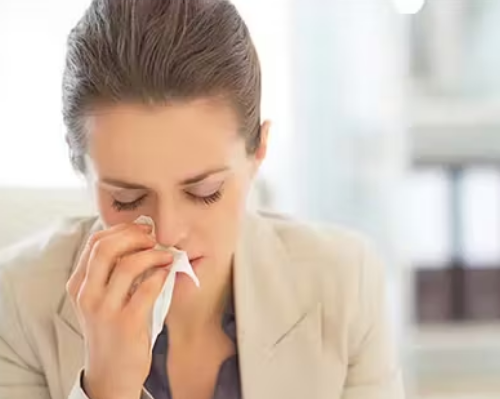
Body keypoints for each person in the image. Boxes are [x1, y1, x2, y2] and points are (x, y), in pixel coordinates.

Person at [0, 0, 404, 398]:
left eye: (204, 193)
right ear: (81, 169)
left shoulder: (345, 283)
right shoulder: (17, 302)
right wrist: (106, 389)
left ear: (258, 152)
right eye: (127, 198)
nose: (170, 231)